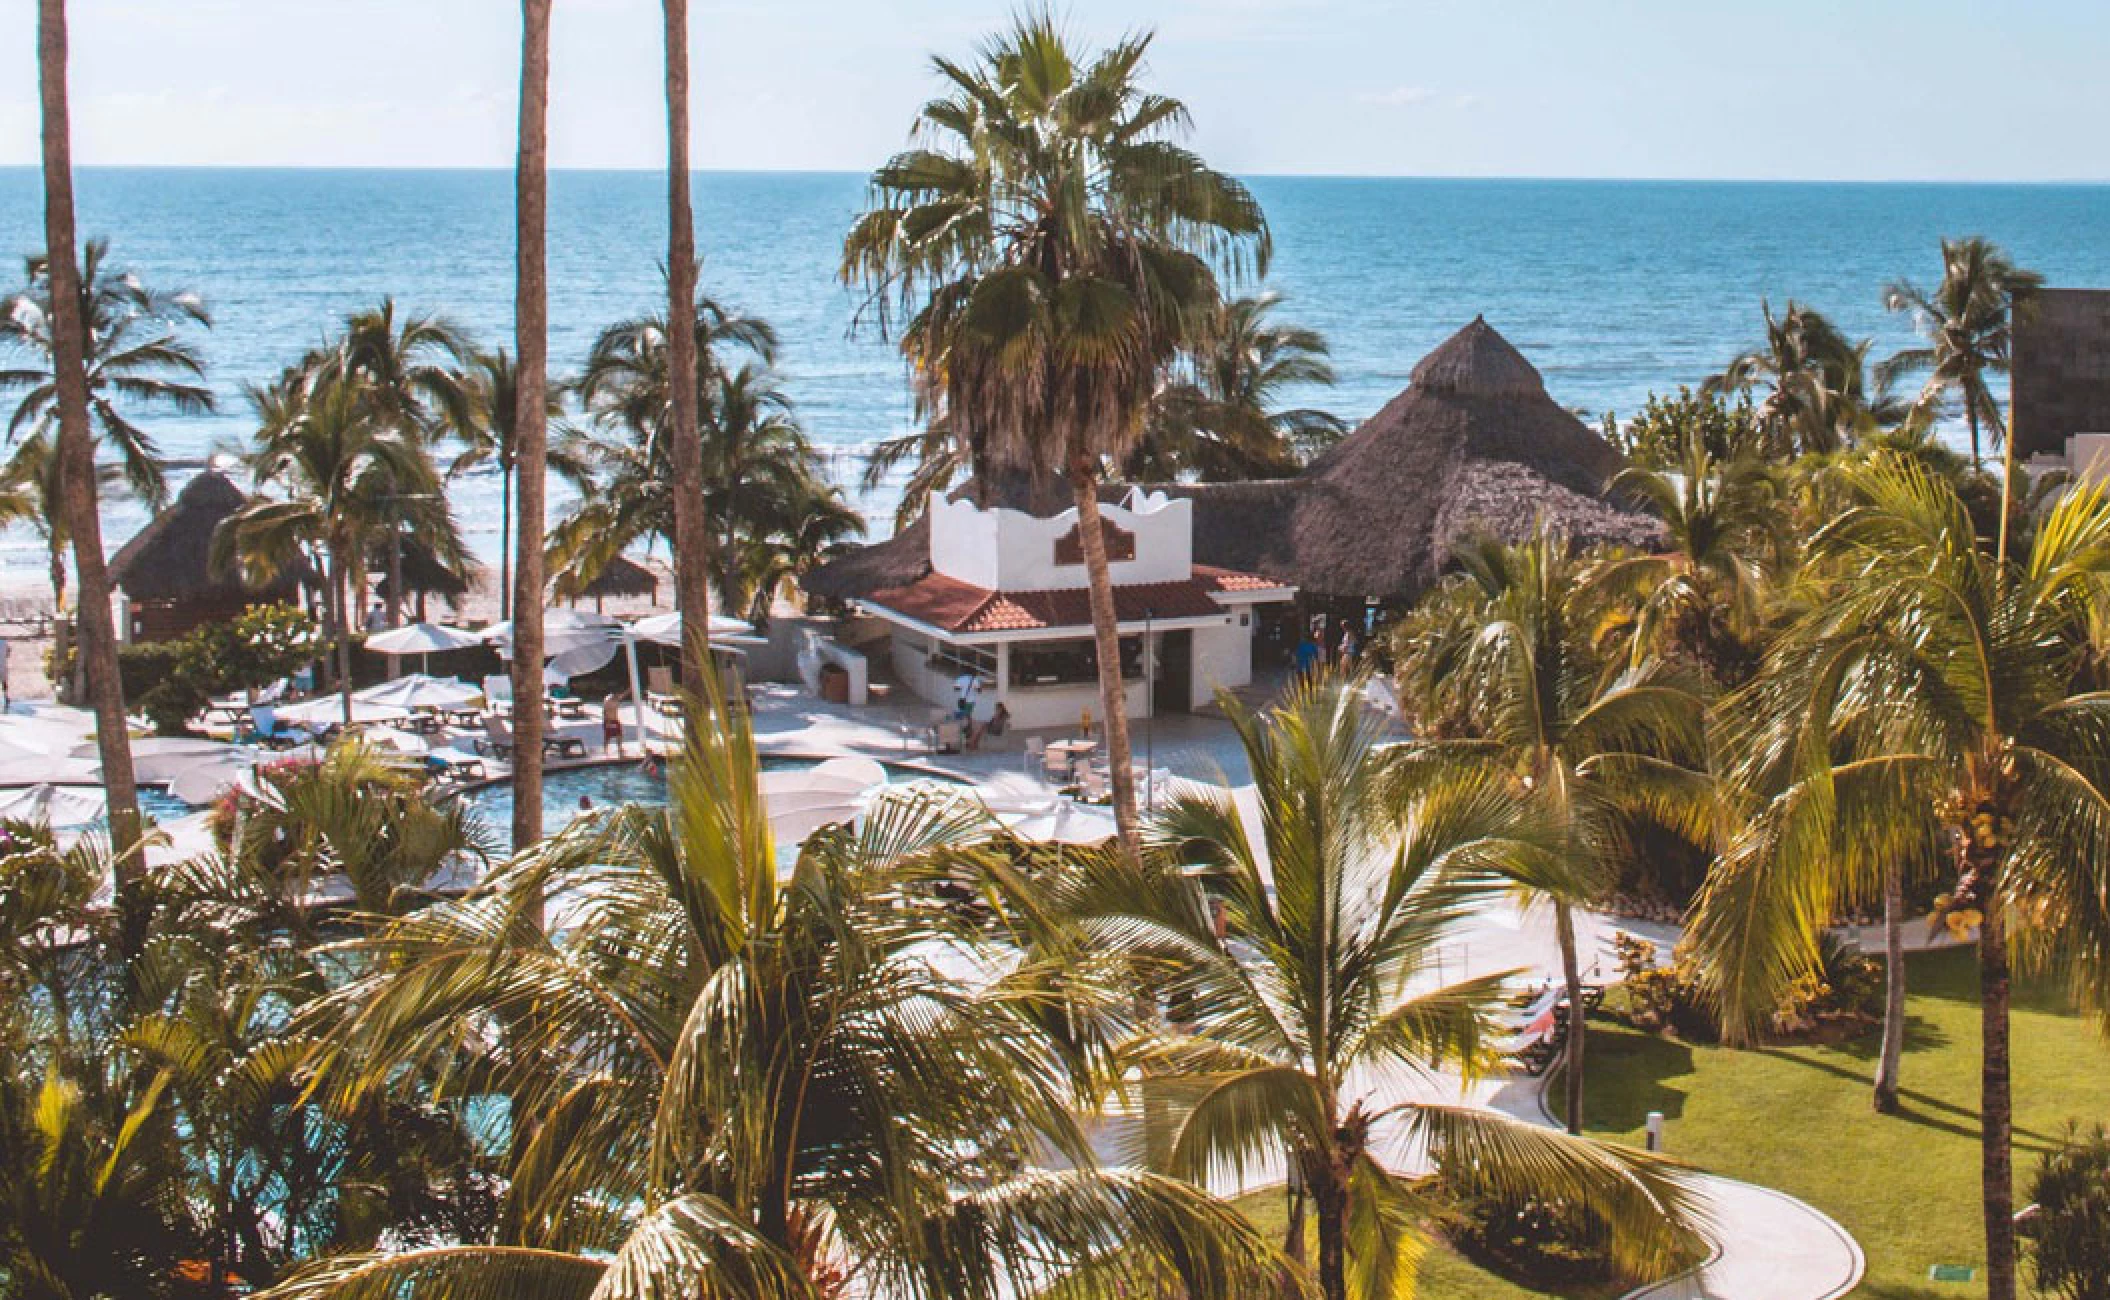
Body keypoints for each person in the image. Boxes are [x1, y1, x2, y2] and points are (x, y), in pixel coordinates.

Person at [601, 691, 627, 757]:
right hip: (608, 720)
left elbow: (623, 695)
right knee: (608, 737)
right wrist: (607, 722)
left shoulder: (616, 698)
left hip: (615, 720)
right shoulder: (608, 700)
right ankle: (605, 750)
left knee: (619, 734)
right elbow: (604, 711)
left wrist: (630, 689)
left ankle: (619, 748)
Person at [0, 636, 12, 709]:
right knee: (4, 683)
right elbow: (8, 653)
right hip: (3, 666)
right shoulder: (4, 642)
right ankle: (6, 697)